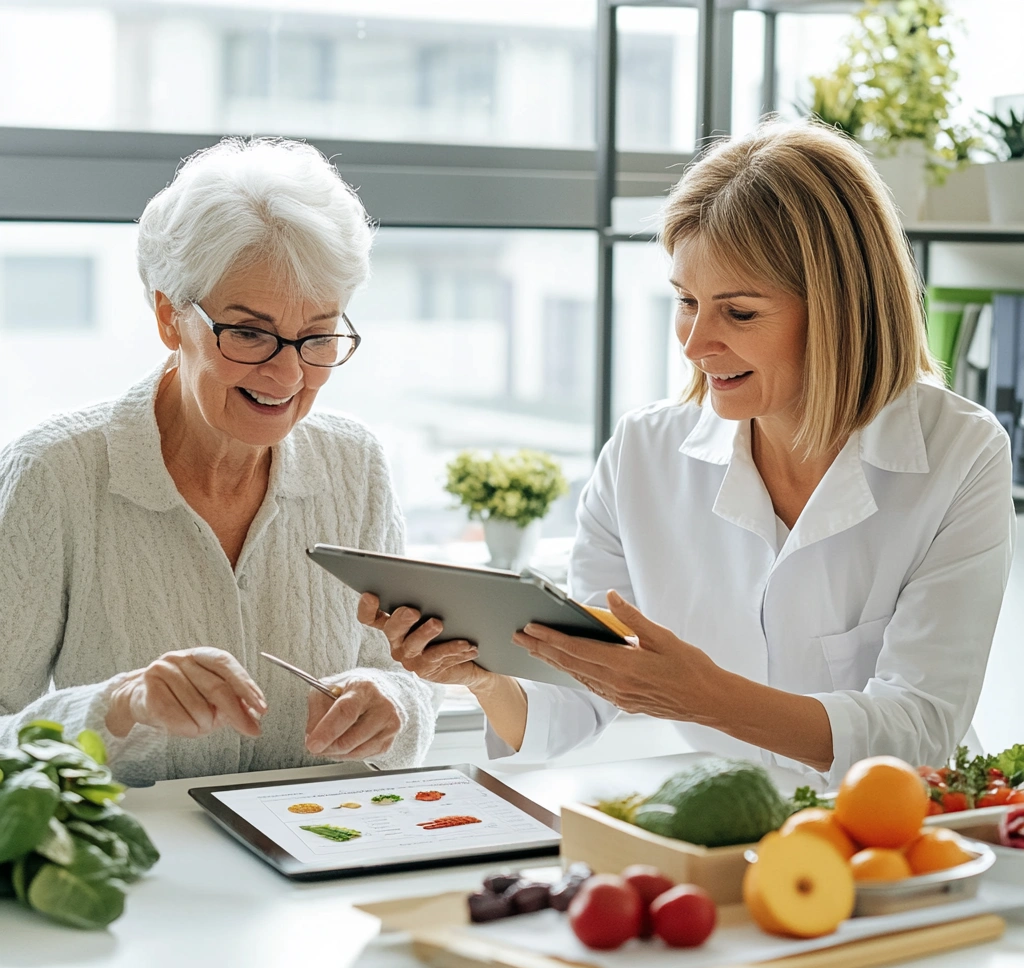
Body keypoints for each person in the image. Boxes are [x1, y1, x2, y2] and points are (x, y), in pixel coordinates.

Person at [361, 120, 1015, 785]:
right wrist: (481, 677)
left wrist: (703, 696)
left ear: (840, 310)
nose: (695, 344)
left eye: (739, 313)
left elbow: (920, 727)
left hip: (895, 824)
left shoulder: (960, 454)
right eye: (686, 302)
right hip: (720, 820)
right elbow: (579, 696)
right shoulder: (643, 455)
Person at [0, 137, 441, 785]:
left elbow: (407, 676)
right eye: (250, 333)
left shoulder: (356, 465)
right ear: (170, 317)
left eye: (318, 334)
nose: (288, 374)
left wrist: (394, 705)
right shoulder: (54, 475)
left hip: (318, 840)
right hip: (140, 845)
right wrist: (117, 708)